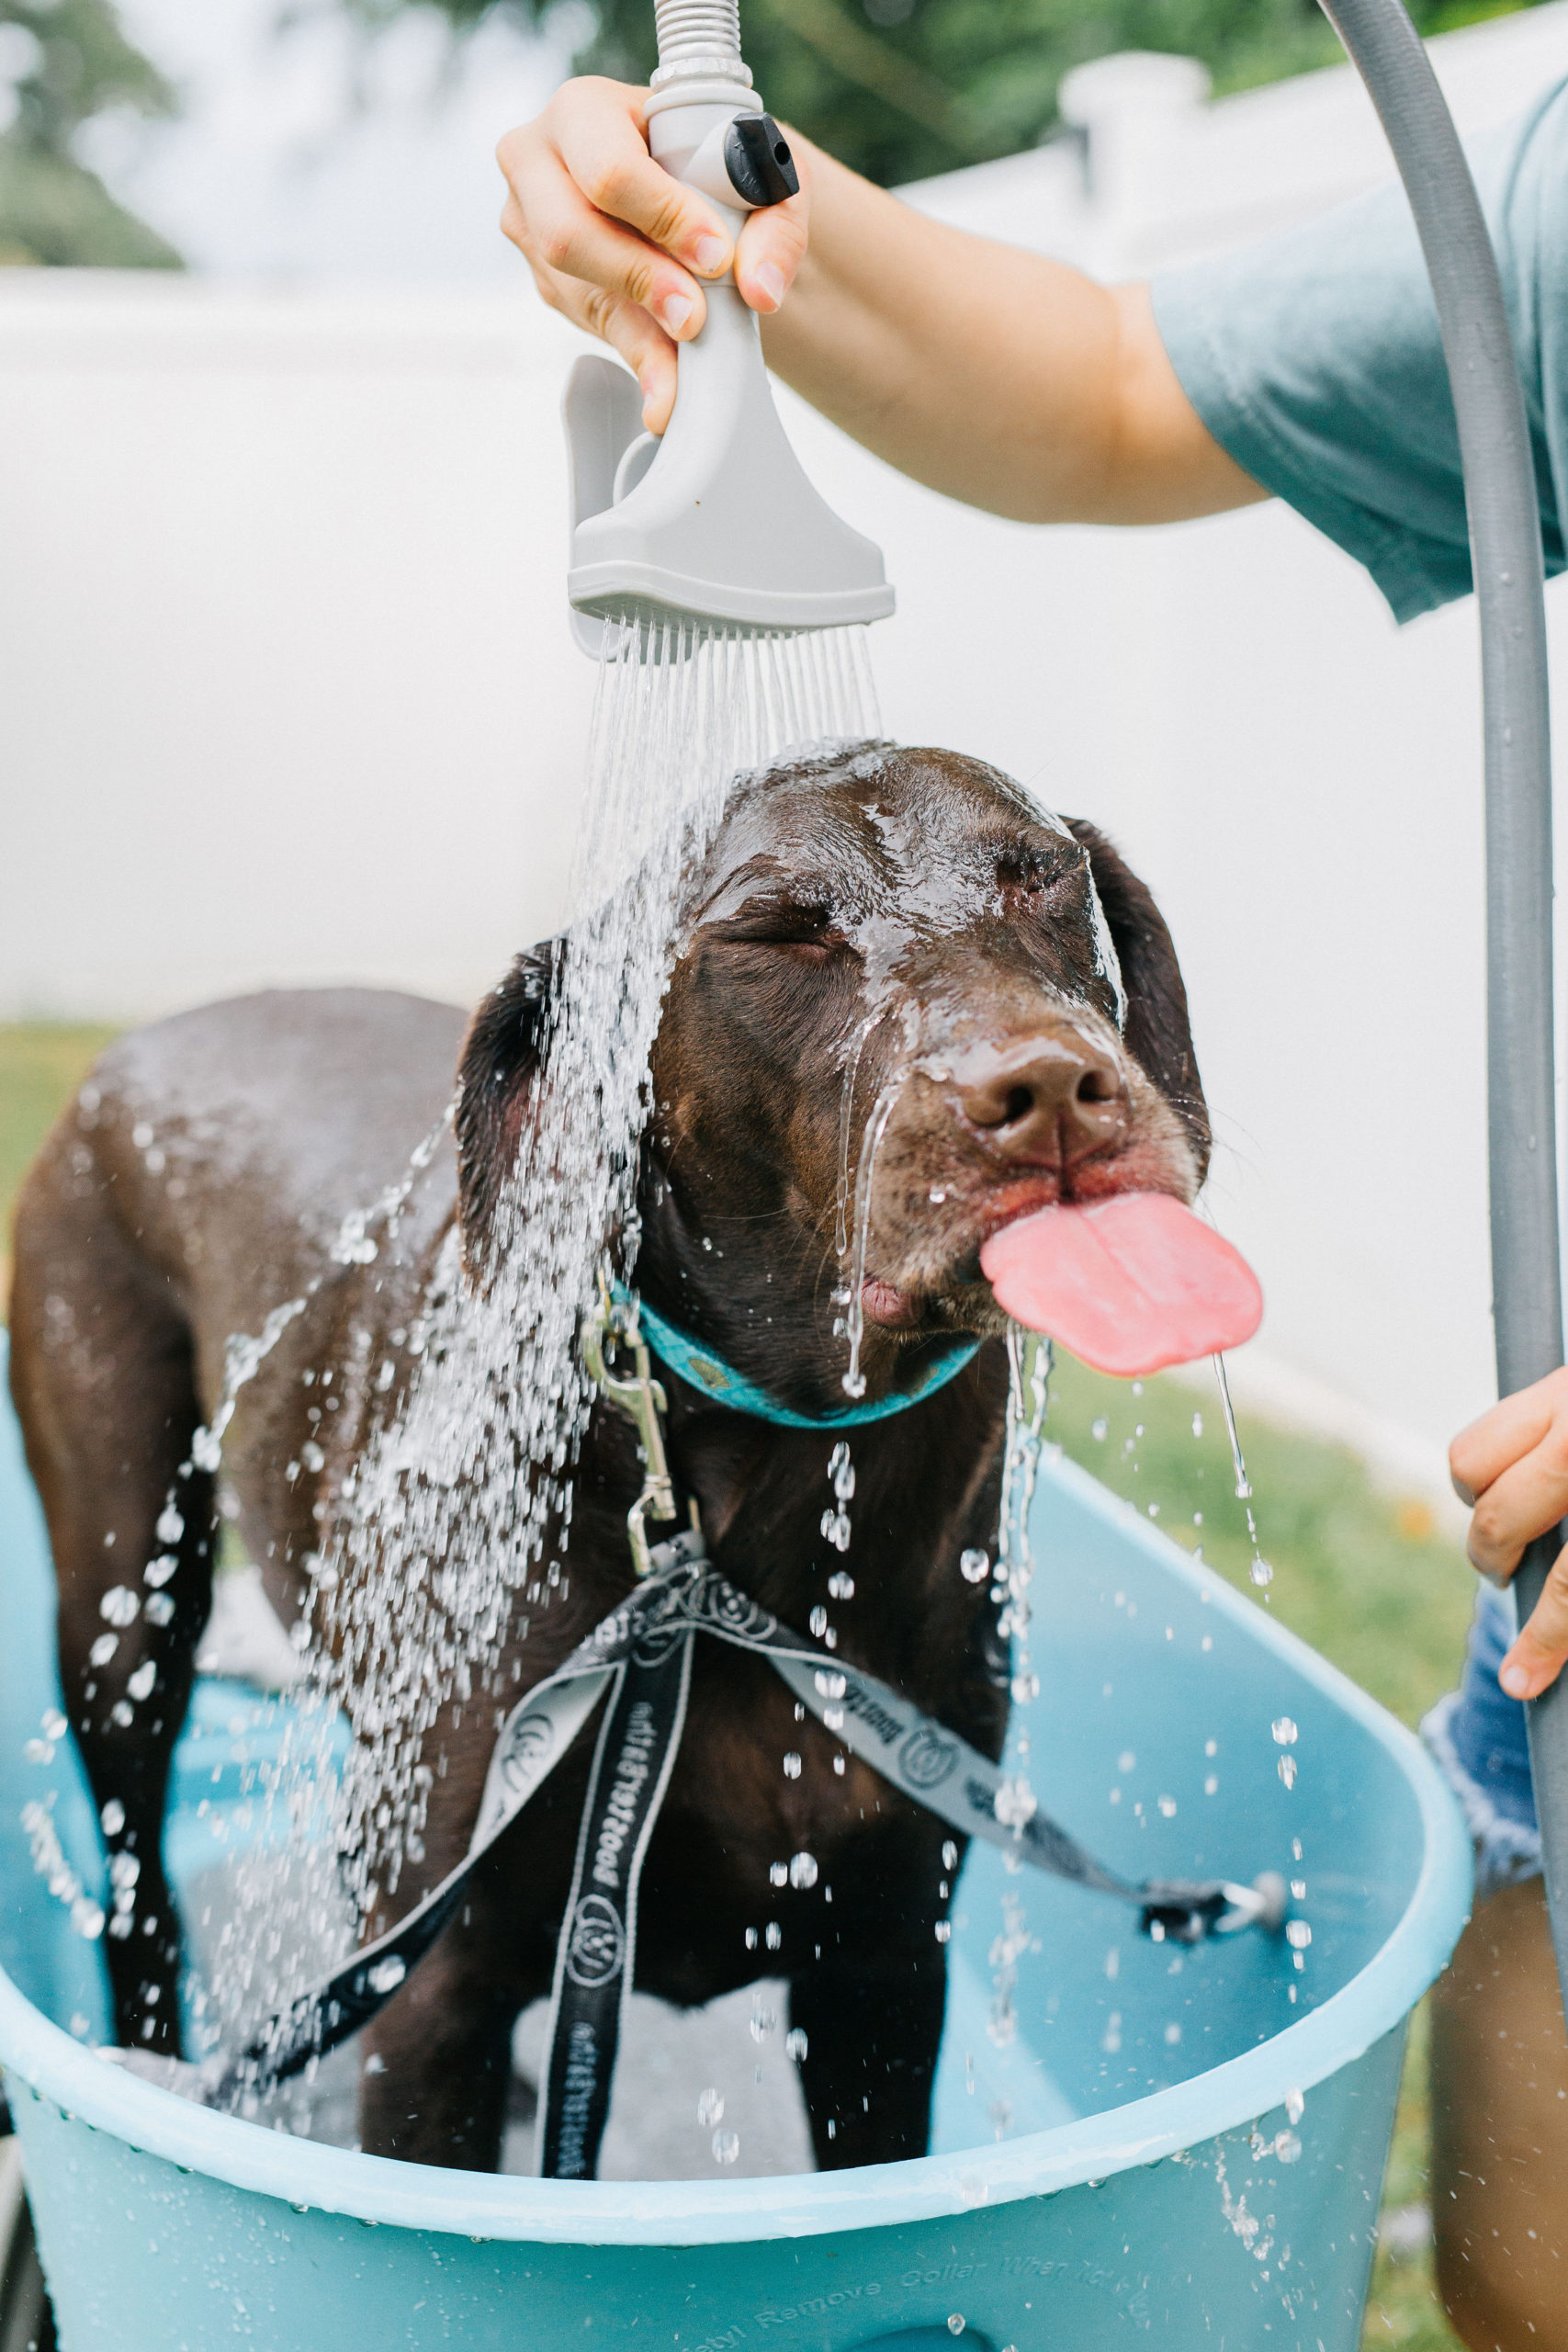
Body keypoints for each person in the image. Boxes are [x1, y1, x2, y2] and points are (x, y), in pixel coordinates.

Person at [496, 71, 1568, 2351]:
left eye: (1037, 906)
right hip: (1559, 1540)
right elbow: (1099, 386)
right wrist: (721, 194)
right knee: (1526, 2271)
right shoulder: (1548, 191)